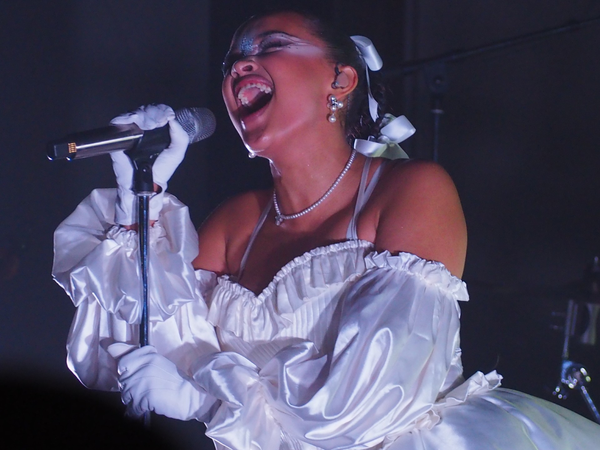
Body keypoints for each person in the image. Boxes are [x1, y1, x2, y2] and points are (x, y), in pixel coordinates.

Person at [53, 9, 600, 450]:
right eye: (231, 61)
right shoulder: (233, 222)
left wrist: (205, 402)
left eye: (270, 46)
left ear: (340, 79)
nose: (240, 66)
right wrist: (140, 197)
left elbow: (367, 405)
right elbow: (124, 349)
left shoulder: (411, 191)